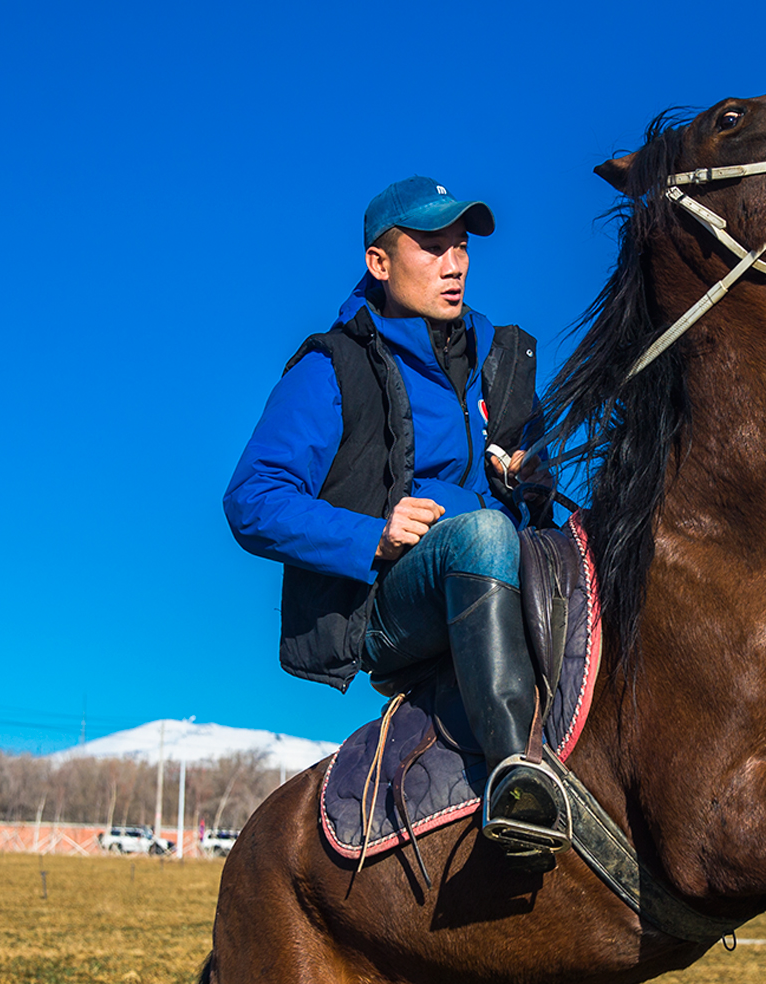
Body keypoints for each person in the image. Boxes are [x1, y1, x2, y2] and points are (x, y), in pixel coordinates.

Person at [223, 176, 568, 869]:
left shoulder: (503, 361)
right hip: (388, 605)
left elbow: (537, 500)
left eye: (462, 246)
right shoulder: (334, 365)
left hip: (495, 590)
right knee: (483, 534)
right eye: (433, 246)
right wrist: (372, 534)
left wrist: (533, 481)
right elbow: (252, 499)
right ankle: (516, 779)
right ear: (379, 264)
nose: (455, 263)